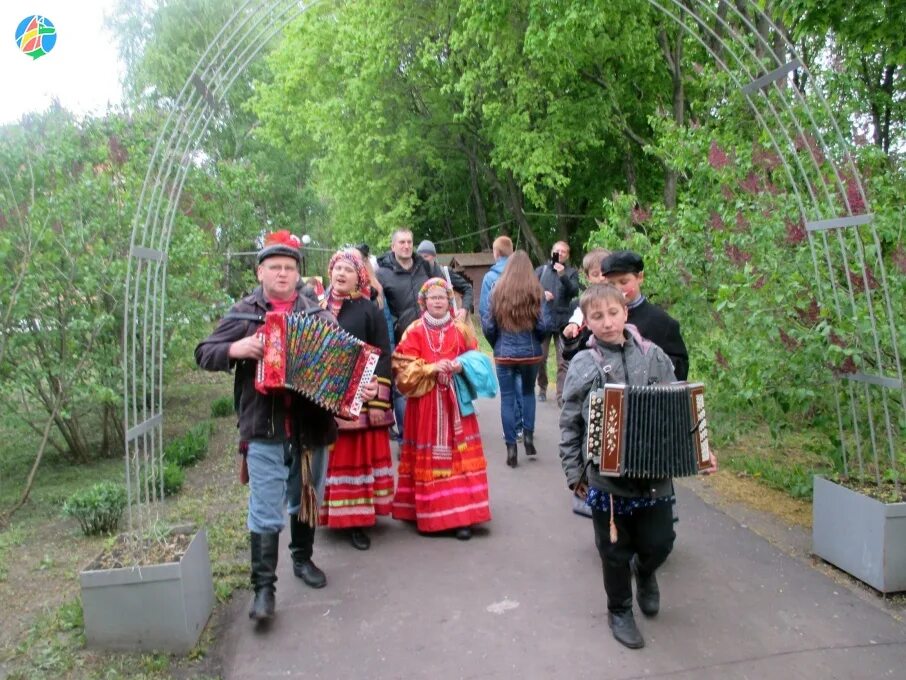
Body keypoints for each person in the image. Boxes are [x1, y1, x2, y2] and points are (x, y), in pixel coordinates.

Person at [195, 231, 376, 622]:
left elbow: (345, 365)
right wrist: (236, 349)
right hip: (263, 427)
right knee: (264, 509)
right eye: (274, 267)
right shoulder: (244, 313)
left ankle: (303, 559)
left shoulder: (317, 314)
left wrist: (363, 383)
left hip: (312, 428)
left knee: (306, 497)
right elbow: (204, 352)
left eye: (289, 268)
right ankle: (264, 589)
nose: (282, 274)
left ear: (298, 273)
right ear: (260, 271)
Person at [558, 283, 678, 650]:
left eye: (613, 313)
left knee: (661, 542)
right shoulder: (583, 362)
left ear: (625, 313)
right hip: (606, 478)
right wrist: (573, 471)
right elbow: (570, 422)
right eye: (597, 316)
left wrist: (697, 448)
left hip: (653, 472)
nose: (607, 322)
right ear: (587, 322)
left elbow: (677, 405)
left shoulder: (654, 355)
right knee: (613, 552)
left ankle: (645, 572)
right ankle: (620, 611)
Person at [391, 278, 492, 540]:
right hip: (425, 406)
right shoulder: (413, 330)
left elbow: (478, 357)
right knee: (432, 459)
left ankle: (462, 518)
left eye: (442, 297)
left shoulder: (462, 329)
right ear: (423, 302)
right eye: (432, 297)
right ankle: (429, 514)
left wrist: (461, 366)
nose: (437, 301)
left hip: (456, 404)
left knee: (459, 459)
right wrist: (429, 368)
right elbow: (401, 367)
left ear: (450, 300)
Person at [318, 249, 394, 551]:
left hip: (359, 398)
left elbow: (383, 354)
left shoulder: (368, 310)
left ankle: (357, 522)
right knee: (326, 460)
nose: (341, 274)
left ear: (359, 277)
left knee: (354, 461)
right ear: (330, 272)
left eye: (349, 270)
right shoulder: (315, 306)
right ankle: (327, 514)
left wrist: (378, 398)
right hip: (322, 399)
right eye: (337, 268)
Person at [378, 228, 474, 433]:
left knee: (433, 388)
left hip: (434, 337)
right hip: (402, 339)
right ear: (393, 246)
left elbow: (446, 292)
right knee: (404, 389)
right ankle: (407, 438)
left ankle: (434, 434)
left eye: (409, 242)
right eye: (401, 242)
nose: (406, 246)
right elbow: (378, 307)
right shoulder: (382, 273)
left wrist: (461, 312)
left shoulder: (427, 267)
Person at [481, 251, 548, 468]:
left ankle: (511, 447)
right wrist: (536, 342)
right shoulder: (536, 291)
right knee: (528, 393)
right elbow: (543, 325)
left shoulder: (497, 290)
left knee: (507, 399)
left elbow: (489, 326)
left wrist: (496, 345)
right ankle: (528, 436)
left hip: (504, 354)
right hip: (530, 353)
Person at [600, 250, 689, 381]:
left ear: (640, 277)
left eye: (624, 282)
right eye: (611, 284)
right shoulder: (598, 320)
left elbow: (680, 370)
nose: (617, 289)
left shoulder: (662, 322)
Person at [477, 235, 523, 440]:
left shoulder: (490, 278)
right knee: (522, 382)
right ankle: (523, 425)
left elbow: (486, 314)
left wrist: (493, 339)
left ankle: (511, 430)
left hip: (502, 340)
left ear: (496, 253)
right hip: (524, 338)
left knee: (507, 390)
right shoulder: (525, 274)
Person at [535, 240, 580, 406]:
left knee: (563, 360)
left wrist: (563, 276)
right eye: (557, 251)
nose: (560, 254)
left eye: (563, 252)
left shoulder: (571, 272)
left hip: (563, 321)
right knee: (541, 357)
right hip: (544, 321)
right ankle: (542, 387)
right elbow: (530, 289)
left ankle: (561, 395)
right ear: (552, 252)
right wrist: (541, 294)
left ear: (567, 256)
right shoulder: (542, 270)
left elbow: (574, 291)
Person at [415, 239, 474, 306]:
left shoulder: (445, 273)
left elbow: (468, 288)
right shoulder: (414, 276)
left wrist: (464, 309)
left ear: (434, 257)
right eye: (420, 257)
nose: (422, 260)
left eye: (426, 256)